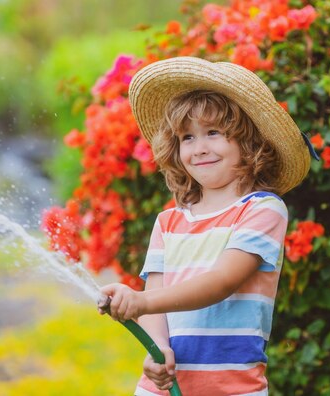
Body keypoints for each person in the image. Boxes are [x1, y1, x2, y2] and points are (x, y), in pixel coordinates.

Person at [98, 56, 318, 396]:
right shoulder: (168, 222)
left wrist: (140, 304)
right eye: (187, 138)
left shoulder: (262, 209)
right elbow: (156, 298)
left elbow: (221, 282)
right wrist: (158, 350)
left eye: (213, 133)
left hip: (232, 388)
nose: (199, 149)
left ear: (250, 142)